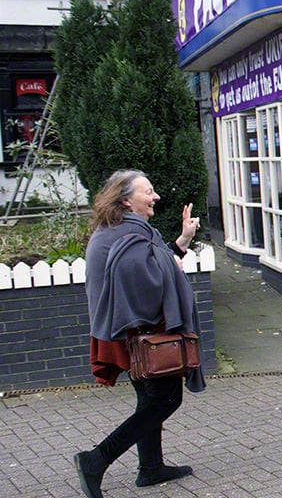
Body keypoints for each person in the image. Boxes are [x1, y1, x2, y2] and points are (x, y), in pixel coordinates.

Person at [74, 170, 205, 497]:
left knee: (149, 398)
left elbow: (149, 266)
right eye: (148, 191)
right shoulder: (126, 236)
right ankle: (96, 459)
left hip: (126, 331)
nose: (155, 196)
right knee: (166, 399)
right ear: (126, 199)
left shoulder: (120, 231)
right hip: (140, 334)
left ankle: (151, 467)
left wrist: (181, 242)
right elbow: (148, 284)